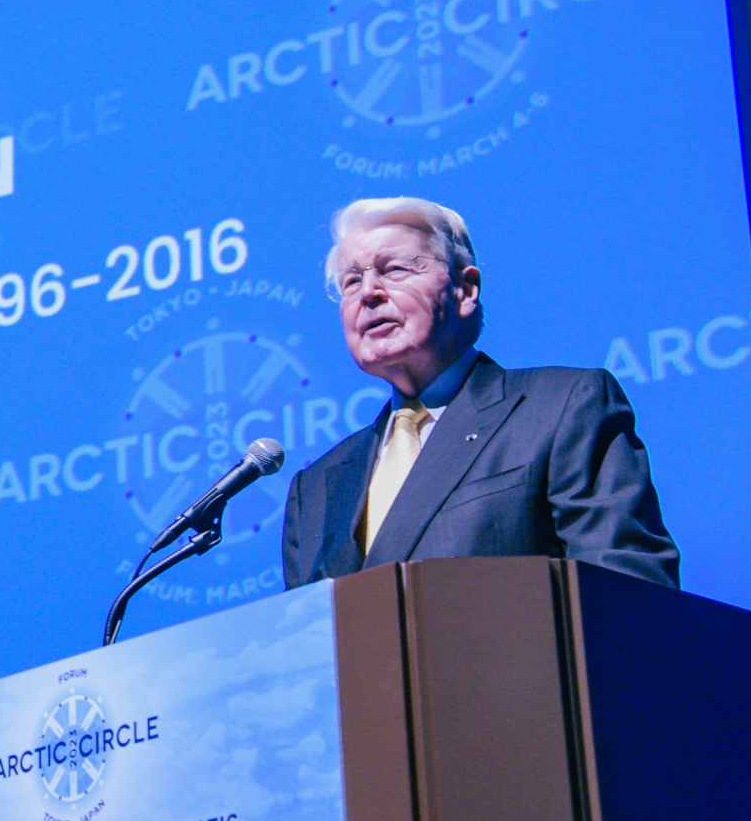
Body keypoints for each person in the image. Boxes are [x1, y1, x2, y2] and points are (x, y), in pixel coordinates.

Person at [283, 197, 679, 588]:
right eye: (351, 281)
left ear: (466, 289)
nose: (368, 293)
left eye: (395, 270)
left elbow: (629, 590)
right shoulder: (314, 488)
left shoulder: (562, 407)